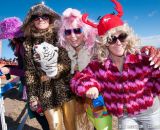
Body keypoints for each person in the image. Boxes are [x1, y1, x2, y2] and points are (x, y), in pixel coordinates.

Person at [71, 0, 160, 130]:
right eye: (112, 39)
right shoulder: (99, 65)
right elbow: (77, 80)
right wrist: (89, 86)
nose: (118, 43)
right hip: (125, 117)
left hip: (151, 113)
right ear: (104, 42)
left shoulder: (143, 58)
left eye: (122, 36)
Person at [22, 2, 76, 130]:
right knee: (54, 126)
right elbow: (30, 73)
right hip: (45, 91)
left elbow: (68, 62)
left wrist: (55, 71)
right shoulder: (28, 44)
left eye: (44, 16)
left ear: (50, 19)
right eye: (36, 17)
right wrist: (33, 97)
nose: (40, 19)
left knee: (71, 125)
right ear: (32, 21)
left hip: (65, 87)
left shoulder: (60, 36)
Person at [0, 17, 50, 130]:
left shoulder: (25, 46)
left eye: (10, 36)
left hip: (38, 87)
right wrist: (8, 67)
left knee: (44, 119)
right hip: (31, 85)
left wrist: (9, 70)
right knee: (40, 115)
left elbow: (30, 71)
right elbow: (23, 67)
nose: (10, 39)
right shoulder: (19, 45)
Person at [58, 8, 98, 130]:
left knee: (101, 125)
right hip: (75, 98)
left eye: (77, 30)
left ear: (85, 31)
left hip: (97, 96)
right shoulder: (63, 52)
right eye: (68, 32)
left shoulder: (96, 47)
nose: (73, 36)